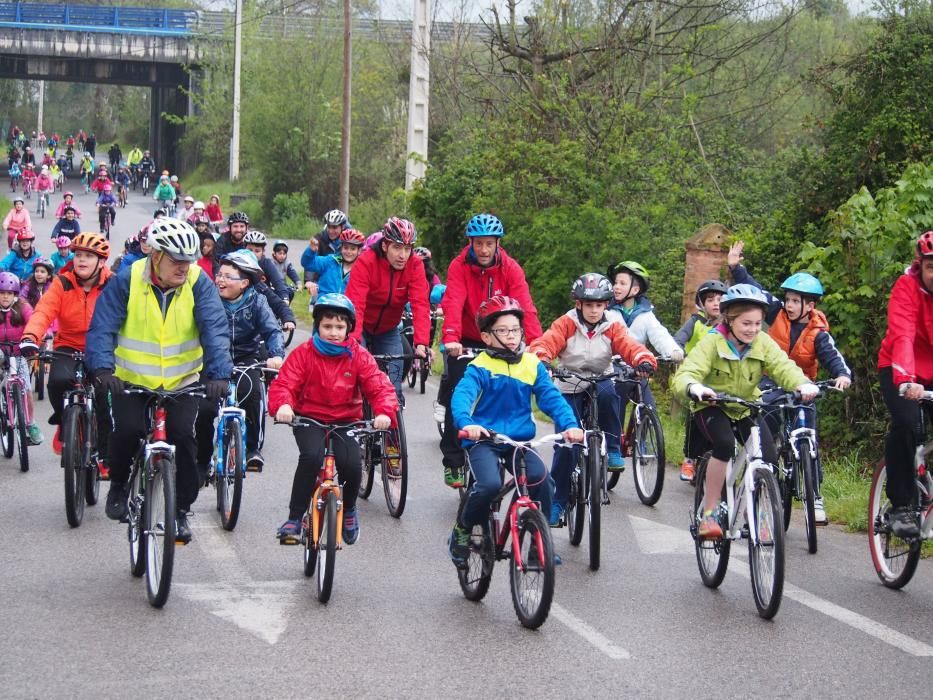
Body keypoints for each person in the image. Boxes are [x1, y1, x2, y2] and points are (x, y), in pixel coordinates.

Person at [86, 219, 232, 544]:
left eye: (189, 259)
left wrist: (219, 374)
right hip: (132, 380)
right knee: (128, 431)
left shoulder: (198, 282)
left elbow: (215, 328)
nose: (184, 266)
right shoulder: (127, 280)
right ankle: (120, 487)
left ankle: (179, 510)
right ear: (156, 256)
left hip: (182, 382)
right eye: (176, 259)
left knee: (183, 437)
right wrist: (102, 369)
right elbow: (103, 326)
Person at [671, 284, 818, 539]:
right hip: (711, 405)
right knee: (725, 445)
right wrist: (695, 388)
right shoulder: (712, 342)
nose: (752, 329)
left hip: (746, 406)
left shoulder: (762, 342)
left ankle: (757, 513)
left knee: (768, 459)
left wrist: (802, 384)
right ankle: (710, 512)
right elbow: (686, 374)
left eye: (758, 324)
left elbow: (784, 366)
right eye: (746, 323)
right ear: (729, 319)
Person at [448, 296, 583, 564]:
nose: (511, 336)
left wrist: (570, 426)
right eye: (502, 330)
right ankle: (462, 529)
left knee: (542, 480)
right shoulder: (480, 367)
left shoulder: (531, 365)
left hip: (518, 442)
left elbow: (552, 400)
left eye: (515, 329)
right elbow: (462, 397)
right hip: (484, 439)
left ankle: (537, 545)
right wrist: (467, 423)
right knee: (488, 485)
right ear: (486, 337)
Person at [728, 243, 852, 522]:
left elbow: (833, 357)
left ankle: (815, 497)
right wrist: (736, 267)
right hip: (772, 383)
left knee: (808, 435)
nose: (789, 305)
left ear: (810, 305)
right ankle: (762, 481)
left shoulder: (819, 333)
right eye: (788, 299)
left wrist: (843, 376)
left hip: (803, 387)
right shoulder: (776, 312)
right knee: (763, 435)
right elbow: (753, 288)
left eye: (796, 301)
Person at [529, 273, 657, 524]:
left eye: (599, 305)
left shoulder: (612, 325)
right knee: (568, 445)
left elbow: (629, 346)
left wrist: (643, 359)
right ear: (579, 304)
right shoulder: (566, 323)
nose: (594, 310)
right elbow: (546, 342)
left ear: (606, 305)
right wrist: (542, 357)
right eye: (589, 305)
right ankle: (558, 502)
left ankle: (611, 448)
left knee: (611, 392)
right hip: (570, 383)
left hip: (600, 379)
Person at [270, 293, 397, 545]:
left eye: (339, 327)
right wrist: (283, 405)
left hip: (346, 420)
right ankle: (295, 518)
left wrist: (384, 413)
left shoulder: (359, 355)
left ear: (349, 328)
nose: (333, 332)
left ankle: (348, 509)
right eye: (327, 326)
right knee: (311, 457)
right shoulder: (303, 353)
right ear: (317, 326)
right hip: (310, 418)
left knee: (351, 465)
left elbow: (379, 386)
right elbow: (285, 383)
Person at [438, 213, 543, 488]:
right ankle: (453, 461)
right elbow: (453, 301)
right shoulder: (459, 265)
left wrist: (536, 343)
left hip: (501, 338)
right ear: (471, 243)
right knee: (456, 392)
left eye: (489, 243)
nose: (484, 250)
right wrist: (451, 337)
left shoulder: (510, 268)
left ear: (498, 243)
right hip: (467, 339)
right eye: (478, 243)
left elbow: (525, 306)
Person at [20, 234, 113, 461]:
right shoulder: (62, 282)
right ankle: (64, 421)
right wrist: (31, 336)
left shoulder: (113, 283)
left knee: (105, 393)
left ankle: (104, 453)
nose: (81, 260)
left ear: (101, 262)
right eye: (78, 255)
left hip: (102, 347)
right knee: (57, 381)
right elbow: (44, 311)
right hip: (68, 344)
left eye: (89, 256)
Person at [194, 250, 284, 476]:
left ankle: (252, 448)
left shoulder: (257, 301)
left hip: (246, 357)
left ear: (244, 283)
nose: (220, 280)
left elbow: (272, 331)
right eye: (219, 274)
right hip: (213, 358)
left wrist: (276, 355)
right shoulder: (208, 299)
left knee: (252, 394)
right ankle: (202, 457)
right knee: (204, 408)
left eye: (227, 276)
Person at [876, 231, 933, 539]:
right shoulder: (906, 287)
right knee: (908, 422)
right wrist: (907, 379)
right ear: (920, 266)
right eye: (932, 266)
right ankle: (899, 505)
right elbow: (903, 334)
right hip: (900, 367)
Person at [344, 217, 431, 401]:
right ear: (385, 246)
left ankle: (393, 427)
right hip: (362, 326)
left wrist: (421, 342)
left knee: (394, 388)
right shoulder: (366, 262)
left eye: (407, 249)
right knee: (354, 381)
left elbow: (420, 304)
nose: (403, 255)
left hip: (388, 329)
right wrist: (354, 339)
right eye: (397, 248)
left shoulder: (415, 265)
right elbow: (356, 305)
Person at [674, 279, 728, 482]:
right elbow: (679, 339)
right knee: (695, 418)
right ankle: (689, 458)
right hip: (697, 377)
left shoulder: (729, 326)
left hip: (720, 379)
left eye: (720, 300)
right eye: (710, 299)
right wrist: (678, 351)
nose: (715, 303)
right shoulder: (696, 322)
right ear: (702, 304)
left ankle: (716, 461)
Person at [0, 272, 43, 444]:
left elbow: (35, 322)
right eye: (2, 293)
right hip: (1, 352)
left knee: (25, 388)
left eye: (9, 293)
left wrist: (37, 337)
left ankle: (30, 424)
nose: (5, 296)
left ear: (15, 295)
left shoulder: (23, 307)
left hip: (18, 353)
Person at [301, 228, 364, 297]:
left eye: (353, 249)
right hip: (324, 304)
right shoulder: (330, 261)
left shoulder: (361, 270)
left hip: (346, 306)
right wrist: (311, 251)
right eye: (345, 248)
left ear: (359, 251)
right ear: (341, 248)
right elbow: (308, 263)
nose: (349, 252)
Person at [242, 230, 291, 302]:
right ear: (244, 249)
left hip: (262, 301)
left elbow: (278, 282)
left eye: (257, 251)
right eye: (250, 250)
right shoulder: (238, 262)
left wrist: (285, 298)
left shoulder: (267, 263)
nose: (253, 254)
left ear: (263, 252)